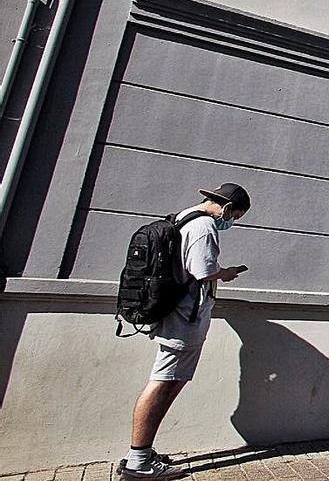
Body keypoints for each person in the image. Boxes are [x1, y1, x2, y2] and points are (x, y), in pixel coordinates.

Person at [119, 183, 250, 480]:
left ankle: (142, 452)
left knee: (167, 381)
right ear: (228, 209)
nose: (232, 223)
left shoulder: (183, 217)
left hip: (174, 314)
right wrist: (225, 273)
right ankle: (138, 460)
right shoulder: (204, 227)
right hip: (183, 319)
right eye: (236, 217)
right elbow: (202, 271)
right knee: (164, 383)